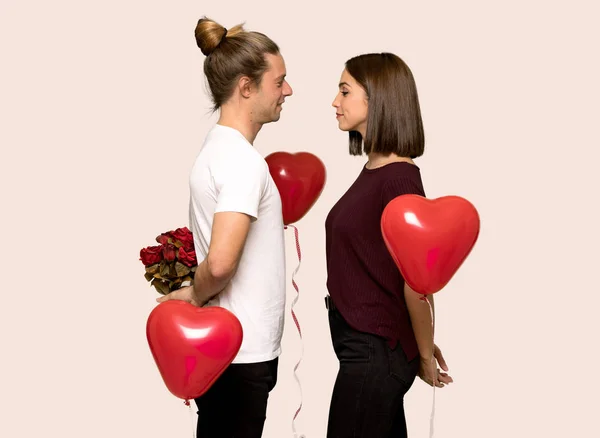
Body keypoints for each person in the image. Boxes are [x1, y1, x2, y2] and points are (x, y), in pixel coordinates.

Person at [156, 16, 293, 438]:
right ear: (246, 87)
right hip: (241, 352)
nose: (288, 91)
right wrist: (192, 294)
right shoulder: (242, 161)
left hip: (229, 349)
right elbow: (219, 264)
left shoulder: (217, 148)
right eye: (279, 81)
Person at [324, 52, 453, 437]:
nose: (335, 101)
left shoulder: (398, 180)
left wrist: (425, 351)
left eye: (345, 91)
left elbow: (418, 280)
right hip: (365, 348)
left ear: (377, 99)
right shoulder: (375, 172)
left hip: (374, 352)